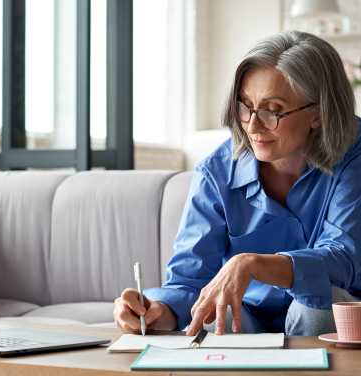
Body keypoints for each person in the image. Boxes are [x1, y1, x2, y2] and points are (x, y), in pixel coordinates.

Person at [114, 31, 361, 336]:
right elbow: (189, 281)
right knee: (214, 314)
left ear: (318, 114)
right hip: (250, 316)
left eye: (273, 110)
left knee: (315, 303)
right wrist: (155, 312)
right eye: (245, 106)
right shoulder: (216, 171)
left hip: (336, 314)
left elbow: (342, 260)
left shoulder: (354, 156)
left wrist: (253, 264)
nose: (253, 126)